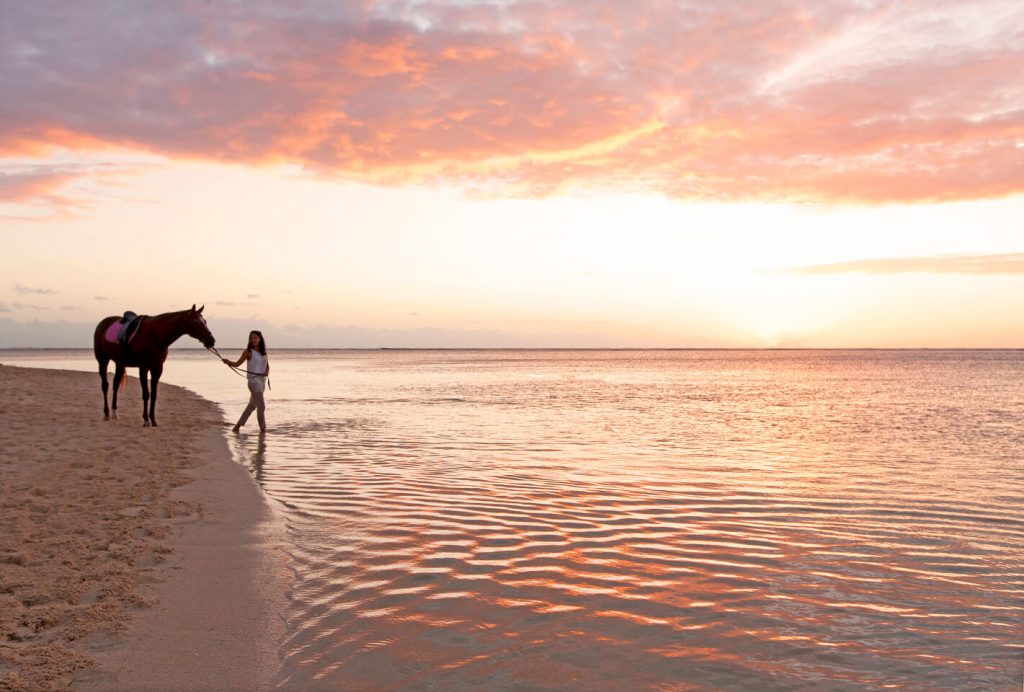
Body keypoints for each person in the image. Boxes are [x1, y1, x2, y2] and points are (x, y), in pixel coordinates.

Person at [223, 330, 269, 433]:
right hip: (253, 382)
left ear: (260, 339)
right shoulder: (248, 352)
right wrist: (228, 362)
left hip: (262, 382)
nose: (253, 340)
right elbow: (237, 364)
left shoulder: (264, 352)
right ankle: (263, 430)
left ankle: (237, 427)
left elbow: (267, 366)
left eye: (255, 338)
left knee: (252, 406)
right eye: (251, 338)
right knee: (261, 406)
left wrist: (266, 372)